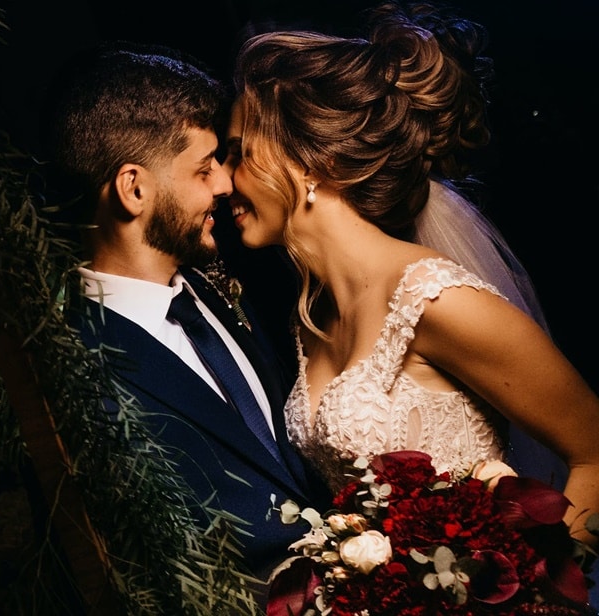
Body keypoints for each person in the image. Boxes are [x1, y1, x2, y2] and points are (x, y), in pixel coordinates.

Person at [224, 1, 599, 551]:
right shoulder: (312, 317)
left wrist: (537, 589)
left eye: (239, 155)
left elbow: (593, 446)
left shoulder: (435, 299)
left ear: (309, 161)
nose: (226, 180)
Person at [40, 41, 332, 583]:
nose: (225, 183)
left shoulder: (221, 286)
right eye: (204, 169)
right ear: (134, 189)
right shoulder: (75, 363)